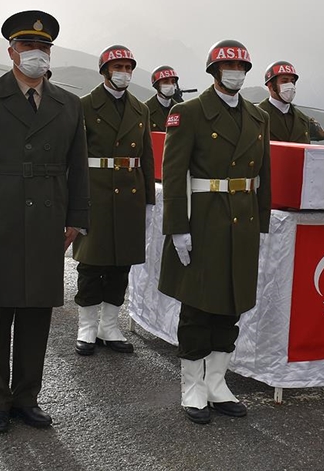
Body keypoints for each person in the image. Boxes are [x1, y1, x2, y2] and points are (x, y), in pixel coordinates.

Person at [0, 10, 89, 432]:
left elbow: (78, 168)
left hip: (49, 220)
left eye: (43, 47)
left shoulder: (69, 104)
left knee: (37, 312)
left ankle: (27, 397)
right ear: (11, 51)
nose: (36, 54)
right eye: (28, 46)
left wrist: (76, 219)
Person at [158, 39, 271, 424]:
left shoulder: (258, 117)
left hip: (243, 221)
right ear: (214, 71)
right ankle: (193, 386)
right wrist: (177, 229)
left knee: (231, 305)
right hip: (204, 220)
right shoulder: (187, 113)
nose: (236, 73)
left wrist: (263, 222)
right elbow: (174, 175)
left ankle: (217, 382)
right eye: (228, 67)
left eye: (241, 67)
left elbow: (263, 175)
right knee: (198, 308)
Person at [72, 45, 155, 356]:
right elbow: (75, 157)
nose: (124, 73)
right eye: (118, 66)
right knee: (92, 263)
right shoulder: (84, 105)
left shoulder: (140, 109)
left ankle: (110, 326)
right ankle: (87, 327)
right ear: (105, 71)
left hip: (129, 192)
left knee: (121, 264)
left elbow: (146, 156)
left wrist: (148, 200)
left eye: (128, 67)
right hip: (96, 189)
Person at [256, 60, 310, 143]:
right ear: (271, 86)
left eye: (292, 81)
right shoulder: (256, 116)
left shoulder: (303, 119)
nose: (290, 86)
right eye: (284, 81)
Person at [145, 65, 181, 132]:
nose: (170, 85)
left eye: (173, 81)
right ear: (157, 85)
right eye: (165, 82)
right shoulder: (145, 109)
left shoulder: (181, 110)